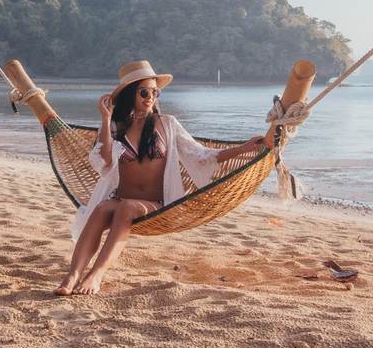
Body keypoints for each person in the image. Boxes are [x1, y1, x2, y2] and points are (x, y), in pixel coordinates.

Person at [55, 60, 265, 295]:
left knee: (126, 208)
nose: (150, 97)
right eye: (144, 92)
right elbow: (103, 159)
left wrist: (245, 148)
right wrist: (105, 119)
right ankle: (72, 276)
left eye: (155, 92)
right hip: (120, 197)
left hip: (154, 205)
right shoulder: (116, 126)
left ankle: (96, 275)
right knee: (102, 209)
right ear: (129, 95)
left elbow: (202, 155)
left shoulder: (167, 124)